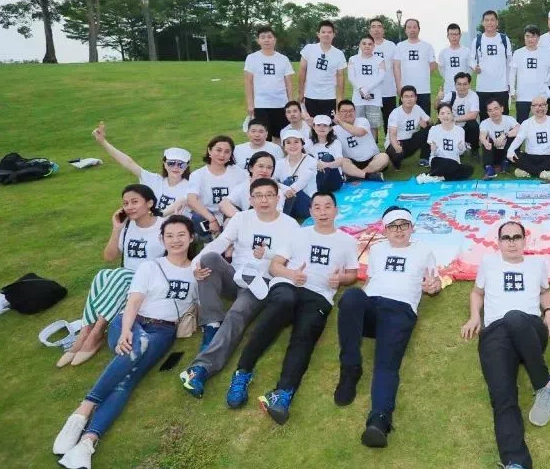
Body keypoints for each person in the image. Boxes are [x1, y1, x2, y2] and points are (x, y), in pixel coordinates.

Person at [53, 215, 198, 469]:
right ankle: (82, 411)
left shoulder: (196, 271)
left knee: (128, 379)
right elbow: (133, 302)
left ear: (191, 237)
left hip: (164, 331)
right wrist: (126, 331)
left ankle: (87, 442)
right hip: (132, 321)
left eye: (181, 235)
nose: (176, 240)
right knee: (137, 344)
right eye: (169, 235)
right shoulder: (150, 267)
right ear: (162, 239)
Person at [233, 191, 359, 424]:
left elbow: (352, 274)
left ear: (336, 210)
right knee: (282, 304)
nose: (322, 212)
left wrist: (340, 279)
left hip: (319, 295)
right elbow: (274, 266)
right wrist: (292, 274)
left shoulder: (348, 241)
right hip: (288, 285)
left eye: (327, 206)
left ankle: (283, 394)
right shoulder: (298, 234)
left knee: (305, 334)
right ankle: (243, 371)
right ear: (310, 211)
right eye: (317, 207)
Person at [461, 221, 550, 469]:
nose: (512, 242)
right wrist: (475, 317)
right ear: (499, 242)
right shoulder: (489, 263)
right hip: (495, 335)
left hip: (529, 328)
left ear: (525, 241)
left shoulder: (536, 264)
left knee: (515, 316)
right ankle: (517, 466)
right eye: (506, 238)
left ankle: (544, 385)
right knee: (502, 396)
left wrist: (549, 314)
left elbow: (545, 291)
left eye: (517, 237)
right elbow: (477, 292)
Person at [179, 177, 300, 401]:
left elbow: (291, 259)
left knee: (236, 314)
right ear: (250, 199)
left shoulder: (290, 225)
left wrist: (269, 255)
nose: (264, 200)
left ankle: (201, 368)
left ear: (278, 198)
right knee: (209, 258)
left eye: (269, 195)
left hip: (260, 282)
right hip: (235, 275)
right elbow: (221, 242)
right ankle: (212, 324)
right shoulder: (242, 218)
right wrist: (195, 264)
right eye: (258, 196)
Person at [334, 207, 442, 447]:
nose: (399, 230)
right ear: (385, 230)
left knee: (386, 364)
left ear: (412, 228)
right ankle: (350, 368)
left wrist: (433, 287)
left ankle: (379, 420)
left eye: (404, 225)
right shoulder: (377, 249)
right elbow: (371, 280)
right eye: (393, 226)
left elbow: (434, 282)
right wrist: (356, 308)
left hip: (400, 311)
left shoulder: (424, 251)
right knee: (351, 296)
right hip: (371, 306)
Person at [60, 184, 165, 368]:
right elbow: (109, 257)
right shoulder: (127, 226)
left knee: (121, 275)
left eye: (134, 202)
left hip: (151, 280)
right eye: (125, 203)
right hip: (124, 278)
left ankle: (97, 332)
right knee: (103, 275)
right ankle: (85, 331)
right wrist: (116, 229)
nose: (129, 207)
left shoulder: (163, 226)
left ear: (149, 203)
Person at [93, 121, 190, 214]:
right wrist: (103, 142)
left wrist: (161, 214)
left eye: (181, 164)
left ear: (186, 167)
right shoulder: (154, 180)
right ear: (164, 164)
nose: (176, 167)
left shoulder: (190, 187)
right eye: (171, 163)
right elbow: (128, 163)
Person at [187, 135, 248, 239]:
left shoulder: (240, 173)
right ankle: (209, 241)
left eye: (227, 152)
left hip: (230, 214)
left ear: (231, 154)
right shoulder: (198, 175)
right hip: (207, 215)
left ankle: (229, 241)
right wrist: (212, 219)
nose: (222, 155)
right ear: (209, 151)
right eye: (218, 150)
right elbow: (191, 200)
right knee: (197, 218)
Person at [244, 25, 295, 141]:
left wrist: (290, 103)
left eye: (269, 37)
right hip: (261, 104)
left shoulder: (283, 59)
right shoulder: (252, 58)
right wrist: (250, 104)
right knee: (263, 137)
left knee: (281, 136)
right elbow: (248, 82)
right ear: (258, 40)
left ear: (274, 39)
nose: (266, 40)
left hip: (281, 104)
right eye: (263, 37)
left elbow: (289, 83)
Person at [506, 96, 550, 182]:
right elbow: (519, 139)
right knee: (514, 156)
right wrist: (510, 151)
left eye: (542, 105)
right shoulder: (526, 123)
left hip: (549, 156)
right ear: (531, 108)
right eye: (536, 105)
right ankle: (543, 173)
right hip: (531, 157)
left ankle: (528, 171)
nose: (539, 108)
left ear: (547, 107)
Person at [298, 19, 347, 119]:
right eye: (323, 32)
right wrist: (301, 93)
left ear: (333, 35)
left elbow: (340, 77)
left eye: (329, 32)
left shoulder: (339, 54)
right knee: (310, 124)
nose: (326, 34)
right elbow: (302, 71)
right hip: (310, 96)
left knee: (328, 125)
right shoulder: (309, 49)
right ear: (318, 34)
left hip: (329, 97)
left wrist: (340, 100)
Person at [334, 99, 390, 182]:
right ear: (338, 113)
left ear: (355, 112)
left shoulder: (362, 121)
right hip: (352, 162)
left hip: (371, 159)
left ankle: (355, 176)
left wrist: (340, 122)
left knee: (384, 157)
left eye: (351, 110)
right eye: (344, 111)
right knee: (342, 162)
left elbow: (359, 132)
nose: (348, 113)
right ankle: (368, 175)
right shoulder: (335, 130)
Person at [220, 151, 286, 219]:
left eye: (269, 167)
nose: (265, 170)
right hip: (246, 221)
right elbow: (224, 204)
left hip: (268, 222)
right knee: (228, 219)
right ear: (251, 168)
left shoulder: (276, 189)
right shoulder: (243, 186)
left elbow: (275, 215)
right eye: (261, 166)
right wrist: (242, 219)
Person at [509, 25, 550, 122]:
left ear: (538, 38)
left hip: (540, 95)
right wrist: (512, 90)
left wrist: (546, 80)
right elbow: (512, 73)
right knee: (521, 123)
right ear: (524, 37)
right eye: (527, 36)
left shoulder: (545, 53)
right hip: (522, 96)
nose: (530, 39)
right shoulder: (518, 53)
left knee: (543, 123)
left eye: (533, 36)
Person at [420, 102, 474, 183]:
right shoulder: (434, 129)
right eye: (442, 113)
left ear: (452, 115)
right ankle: (443, 175)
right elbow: (433, 153)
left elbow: (460, 152)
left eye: (448, 113)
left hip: (454, 162)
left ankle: (438, 177)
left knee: (469, 169)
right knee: (450, 165)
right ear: (438, 116)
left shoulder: (459, 130)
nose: (445, 116)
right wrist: (433, 149)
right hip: (438, 161)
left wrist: (461, 147)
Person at [472, 10, 513, 113]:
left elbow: (509, 62)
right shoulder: (477, 40)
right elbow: (471, 59)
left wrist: (509, 83)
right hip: (483, 88)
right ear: (483, 23)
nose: (489, 23)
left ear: (497, 22)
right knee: (484, 117)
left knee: (503, 117)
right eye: (486, 20)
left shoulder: (504, 39)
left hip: (501, 88)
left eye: (492, 20)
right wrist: (474, 67)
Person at [393, 18, 437, 115]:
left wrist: (422, 73)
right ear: (405, 30)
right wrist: (399, 86)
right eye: (409, 27)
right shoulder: (400, 46)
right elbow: (396, 66)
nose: (412, 30)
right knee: (405, 117)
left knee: (424, 118)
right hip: (405, 90)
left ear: (419, 29)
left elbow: (433, 65)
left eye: (414, 27)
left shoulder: (427, 46)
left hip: (423, 89)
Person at [348, 34, 387, 143]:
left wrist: (366, 89)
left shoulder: (379, 60)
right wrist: (361, 89)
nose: (367, 46)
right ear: (360, 45)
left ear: (374, 46)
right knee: (358, 124)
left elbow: (381, 77)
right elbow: (351, 77)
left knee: (373, 125)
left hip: (374, 99)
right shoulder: (353, 59)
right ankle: (360, 147)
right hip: (358, 99)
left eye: (370, 44)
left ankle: (373, 148)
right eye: (364, 43)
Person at [275, 129, 318, 221]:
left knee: (288, 182)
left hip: (307, 204)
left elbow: (300, 184)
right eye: (288, 143)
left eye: (296, 142)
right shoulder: (279, 163)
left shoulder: (311, 161)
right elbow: (271, 180)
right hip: (288, 201)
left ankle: (280, 218)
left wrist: (282, 187)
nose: (292, 146)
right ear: (284, 146)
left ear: (302, 144)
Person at [385, 86, 431, 169]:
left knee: (430, 130)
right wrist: (396, 146)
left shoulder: (417, 108)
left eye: (412, 96)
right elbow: (392, 134)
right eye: (406, 96)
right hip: (397, 141)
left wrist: (426, 123)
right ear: (401, 99)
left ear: (416, 98)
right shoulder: (395, 113)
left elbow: (430, 122)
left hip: (410, 141)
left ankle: (424, 158)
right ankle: (395, 162)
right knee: (396, 153)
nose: (409, 99)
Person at [368, 18, 399, 132]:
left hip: (389, 91)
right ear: (370, 30)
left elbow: (396, 67)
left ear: (383, 30)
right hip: (371, 92)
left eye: (379, 26)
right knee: (372, 124)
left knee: (390, 122)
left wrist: (398, 86)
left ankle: (390, 142)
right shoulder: (365, 45)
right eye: (373, 26)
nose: (376, 29)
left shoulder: (391, 46)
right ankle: (373, 144)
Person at [479, 98, 519, 180]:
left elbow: (519, 128)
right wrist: (485, 142)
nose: (493, 112)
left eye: (496, 109)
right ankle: (489, 168)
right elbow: (482, 136)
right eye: (490, 110)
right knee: (487, 140)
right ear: (487, 113)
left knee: (513, 135)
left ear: (502, 109)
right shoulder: (485, 123)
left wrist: (505, 135)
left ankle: (506, 163)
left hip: (507, 150)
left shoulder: (509, 119)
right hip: (493, 152)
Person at [442, 71, 480, 154]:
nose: (462, 87)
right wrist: (438, 99)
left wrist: (454, 119)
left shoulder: (473, 95)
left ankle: (474, 148)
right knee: (439, 123)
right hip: (453, 127)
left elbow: (474, 115)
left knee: (473, 125)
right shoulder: (451, 95)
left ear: (469, 85)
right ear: (455, 85)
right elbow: (437, 107)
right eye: (459, 84)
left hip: (466, 127)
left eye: (465, 84)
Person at [309, 115, 346, 193]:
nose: (321, 128)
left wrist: (325, 165)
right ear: (313, 127)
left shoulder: (335, 143)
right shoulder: (308, 144)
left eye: (325, 125)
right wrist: (317, 164)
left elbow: (340, 161)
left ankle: (317, 189)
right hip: (316, 179)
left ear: (330, 128)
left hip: (333, 181)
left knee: (327, 157)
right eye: (318, 125)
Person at [438, 23, 470, 97]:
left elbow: (470, 69)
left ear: (460, 35)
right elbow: (441, 69)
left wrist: (464, 80)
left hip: (463, 89)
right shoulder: (443, 52)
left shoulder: (467, 51)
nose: (454, 37)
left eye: (456, 34)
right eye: (451, 34)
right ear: (447, 36)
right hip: (448, 89)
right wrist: (448, 78)